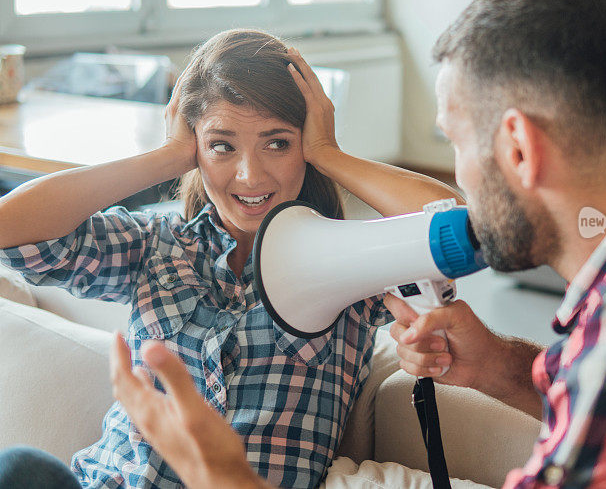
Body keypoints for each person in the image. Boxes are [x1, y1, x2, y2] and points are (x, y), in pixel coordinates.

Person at [50, 0, 606, 489]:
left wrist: (225, 477)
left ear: (516, 148)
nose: (458, 179)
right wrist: (506, 367)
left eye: (454, 142)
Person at [0, 29, 462, 488]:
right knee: (20, 468)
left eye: (278, 143)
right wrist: (165, 159)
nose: (249, 174)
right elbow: (10, 227)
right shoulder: (155, 245)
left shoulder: (349, 265)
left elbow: (450, 223)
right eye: (222, 145)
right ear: (194, 144)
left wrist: (328, 154)